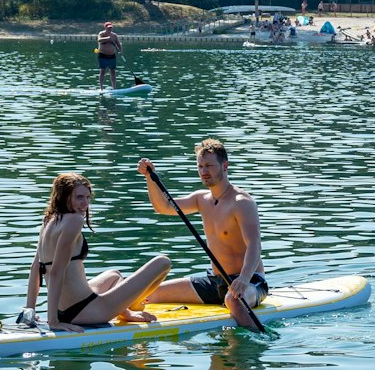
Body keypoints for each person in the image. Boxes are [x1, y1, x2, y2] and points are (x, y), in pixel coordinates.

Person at [138, 139, 268, 327]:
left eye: (209, 166)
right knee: (148, 294)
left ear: (225, 166)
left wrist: (244, 279)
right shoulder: (201, 199)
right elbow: (163, 207)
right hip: (215, 281)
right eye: (200, 166)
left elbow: (254, 245)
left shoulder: (242, 202)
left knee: (233, 300)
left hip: (250, 282)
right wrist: (150, 177)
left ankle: (251, 342)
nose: (204, 171)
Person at [25, 172, 171, 330]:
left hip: (68, 309)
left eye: (88, 197)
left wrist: (30, 311)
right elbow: (56, 272)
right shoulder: (74, 220)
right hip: (84, 310)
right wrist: (53, 321)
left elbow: (36, 268)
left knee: (114, 275)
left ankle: (125, 312)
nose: (85, 203)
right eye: (79, 197)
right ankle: (130, 306)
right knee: (163, 262)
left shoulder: (48, 221)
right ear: (64, 197)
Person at [95, 22, 123, 88]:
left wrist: (121, 51)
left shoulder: (114, 35)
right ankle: (101, 87)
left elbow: (119, 44)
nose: (110, 29)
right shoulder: (101, 34)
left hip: (112, 56)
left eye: (111, 28)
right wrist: (107, 38)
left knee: (113, 72)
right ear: (105, 27)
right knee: (103, 71)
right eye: (108, 28)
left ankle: (114, 88)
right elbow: (99, 40)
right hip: (103, 55)